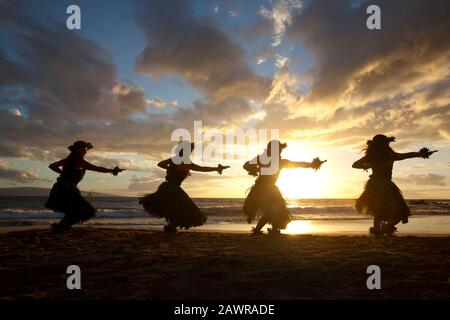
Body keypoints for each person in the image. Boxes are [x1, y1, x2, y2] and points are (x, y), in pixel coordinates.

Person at [352, 134, 438, 235]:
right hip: (378, 185)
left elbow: (407, 155)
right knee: (383, 210)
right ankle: (380, 230)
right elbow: (355, 165)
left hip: (381, 184)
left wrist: (420, 154)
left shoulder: (386, 156)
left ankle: (384, 228)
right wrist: (369, 165)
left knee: (388, 211)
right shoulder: (376, 157)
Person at [140, 141, 230, 232]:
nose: (190, 152)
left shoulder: (175, 159)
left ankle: (171, 226)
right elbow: (201, 169)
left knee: (173, 207)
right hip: (173, 188)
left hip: (166, 186)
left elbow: (160, 164)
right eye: (190, 150)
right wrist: (217, 168)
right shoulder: (185, 162)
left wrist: (171, 168)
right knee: (182, 208)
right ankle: (171, 226)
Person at [243, 140, 326, 235]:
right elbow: (246, 165)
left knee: (279, 211)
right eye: (277, 150)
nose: (279, 152)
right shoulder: (263, 159)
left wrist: (313, 164)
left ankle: (274, 230)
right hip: (261, 191)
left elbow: (299, 164)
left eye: (279, 150)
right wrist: (256, 170)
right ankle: (258, 231)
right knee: (272, 211)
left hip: (271, 191)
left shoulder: (277, 162)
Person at [45, 140, 125, 232]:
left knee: (75, 210)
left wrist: (63, 173)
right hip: (66, 189)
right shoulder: (78, 160)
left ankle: (62, 226)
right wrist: (112, 170)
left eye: (86, 149)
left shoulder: (69, 159)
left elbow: (52, 166)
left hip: (61, 187)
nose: (85, 151)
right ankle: (62, 226)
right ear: (78, 150)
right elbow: (96, 168)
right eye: (84, 149)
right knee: (86, 210)